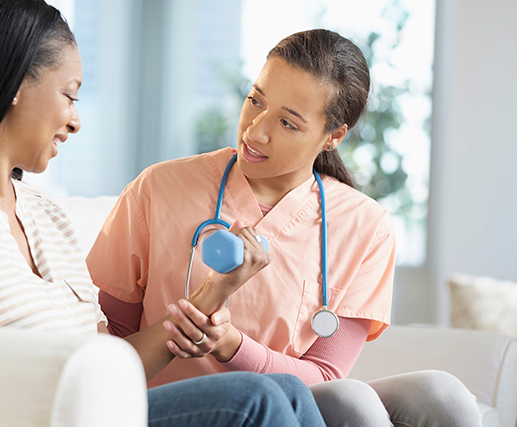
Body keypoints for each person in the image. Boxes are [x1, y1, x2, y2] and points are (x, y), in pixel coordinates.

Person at [0, 1, 327, 426]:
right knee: (255, 400)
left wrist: (215, 292)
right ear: (13, 86)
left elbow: (114, 367)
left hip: (97, 411)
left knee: (286, 389)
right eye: (69, 96)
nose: (76, 120)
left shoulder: (43, 215)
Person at [87, 29, 483, 426]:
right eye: (254, 100)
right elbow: (111, 347)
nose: (255, 131)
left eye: (288, 124)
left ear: (334, 137)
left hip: (293, 407)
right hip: (186, 409)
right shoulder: (159, 189)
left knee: (442, 396)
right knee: (354, 405)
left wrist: (232, 346)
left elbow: (326, 377)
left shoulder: (366, 226)